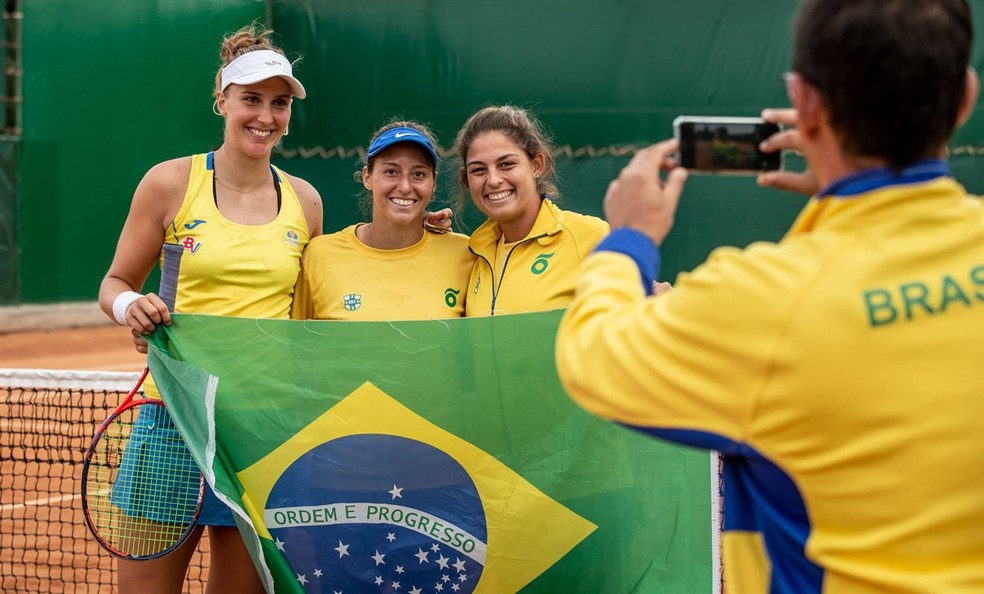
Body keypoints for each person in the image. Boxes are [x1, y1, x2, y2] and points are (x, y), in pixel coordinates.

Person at [555, 1, 982, 592]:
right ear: (964, 96)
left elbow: (594, 356)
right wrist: (844, 192)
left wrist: (629, 238)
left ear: (805, 104)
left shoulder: (762, 300)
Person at [98, 23, 323, 594]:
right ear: (222, 99)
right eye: (251, 99)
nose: (265, 117)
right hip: (172, 419)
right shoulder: (170, 183)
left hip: (258, 431)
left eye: (278, 104)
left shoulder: (306, 201)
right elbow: (116, 281)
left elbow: (309, 317)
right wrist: (132, 306)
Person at [291, 120, 472, 320]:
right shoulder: (319, 256)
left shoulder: (464, 254)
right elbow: (299, 345)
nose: (404, 186)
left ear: (434, 183)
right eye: (391, 172)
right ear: (367, 177)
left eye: (418, 174)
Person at [452, 105, 610, 316]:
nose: (494, 180)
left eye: (506, 164)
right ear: (466, 179)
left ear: (537, 165)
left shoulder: (591, 236)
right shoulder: (473, 254)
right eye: (479, 170)